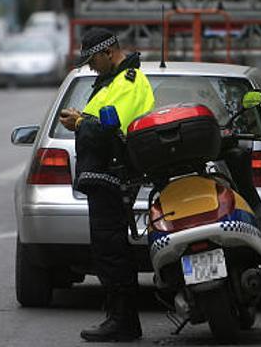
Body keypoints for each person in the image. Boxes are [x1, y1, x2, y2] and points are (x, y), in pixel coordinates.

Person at [58, 27, 154, 342]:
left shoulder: (128, 82)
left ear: (109, 52)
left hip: (114, 177)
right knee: (107, 249)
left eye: (92, 59)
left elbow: (113, 132)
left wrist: (80, 122)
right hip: (104, 178)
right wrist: (84, 119)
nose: (89, 67)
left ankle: (123, 322)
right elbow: (102, 122)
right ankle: (118, 318)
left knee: (112, 250)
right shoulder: (112, 81)